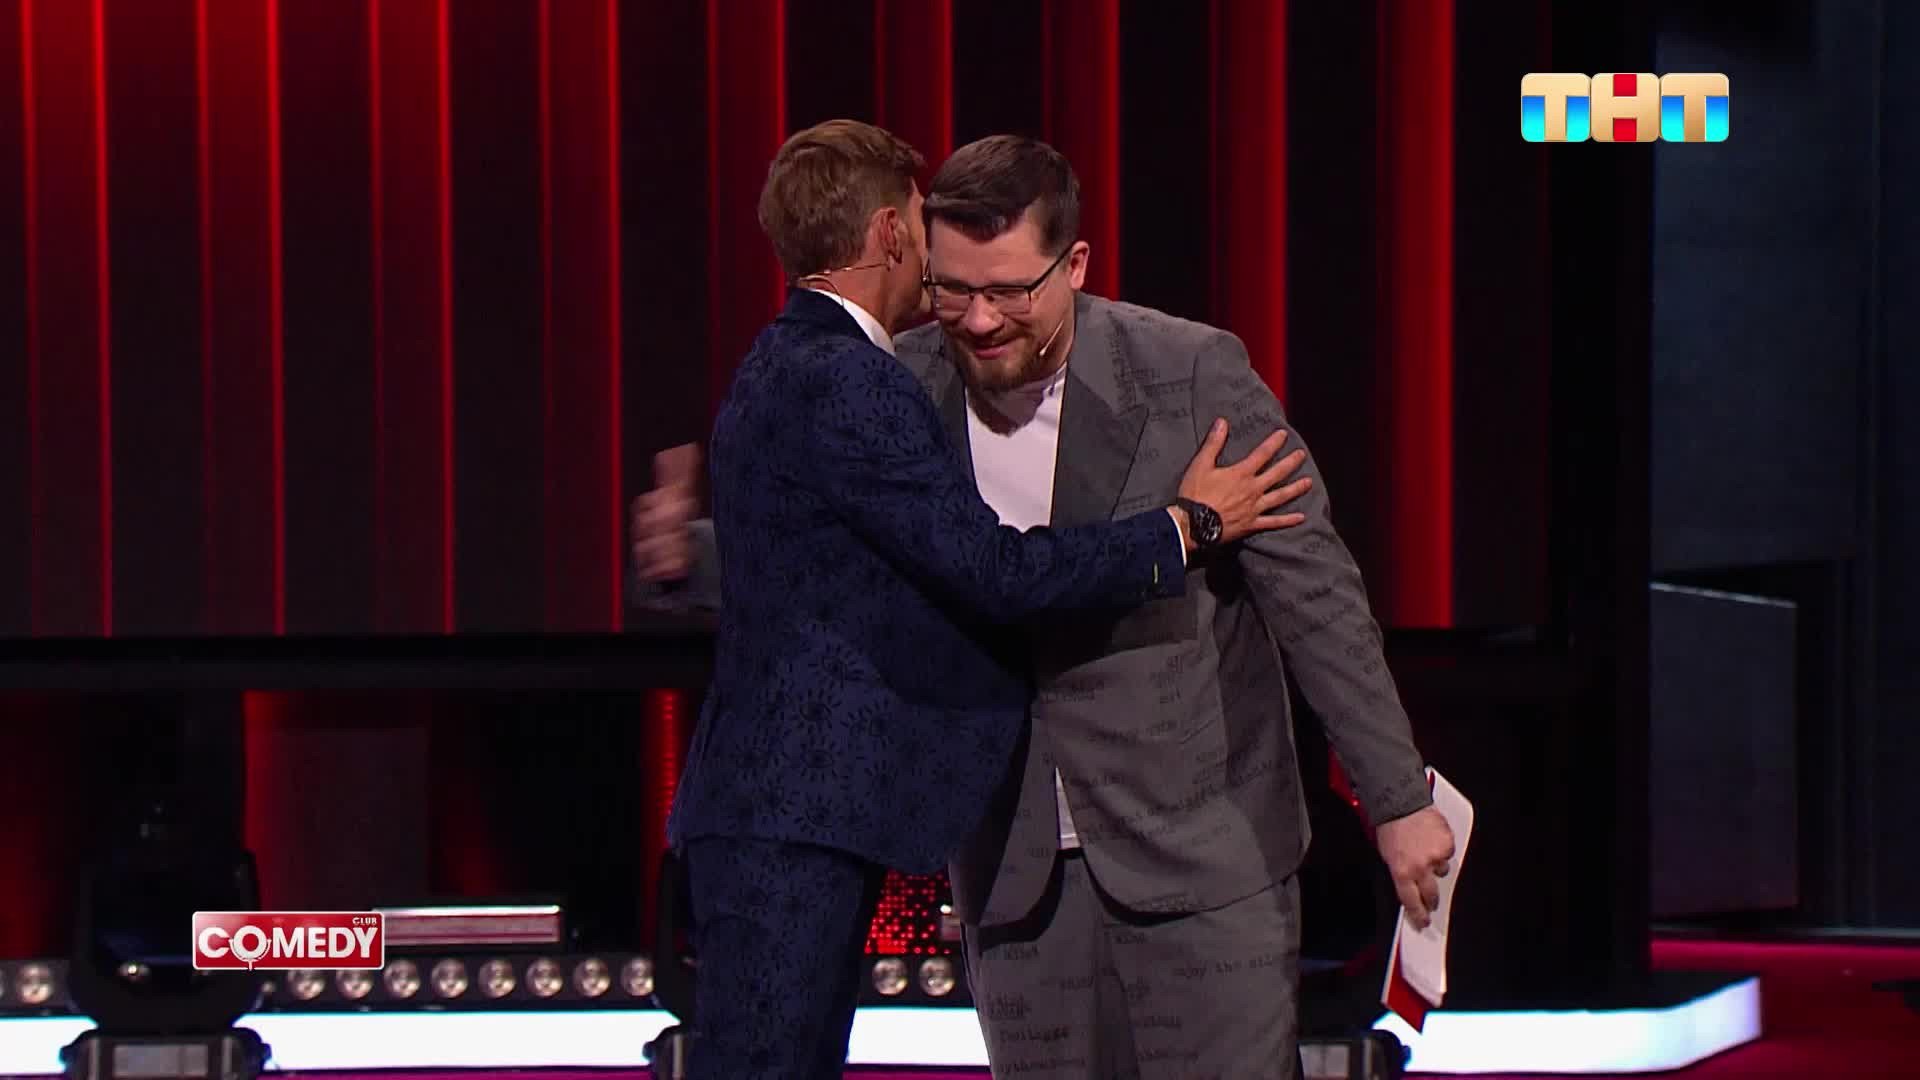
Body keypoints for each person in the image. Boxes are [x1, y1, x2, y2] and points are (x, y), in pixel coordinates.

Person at [657, 120, 1312, 1080]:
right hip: (795, 821)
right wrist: (1185, 528)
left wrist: (687, 557)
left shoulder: (780, 359)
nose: (944, 275)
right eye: (923, 224)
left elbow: (825, 564)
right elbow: (994, 573)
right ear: (891, 232)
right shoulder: (857, 379)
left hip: (770, 816)